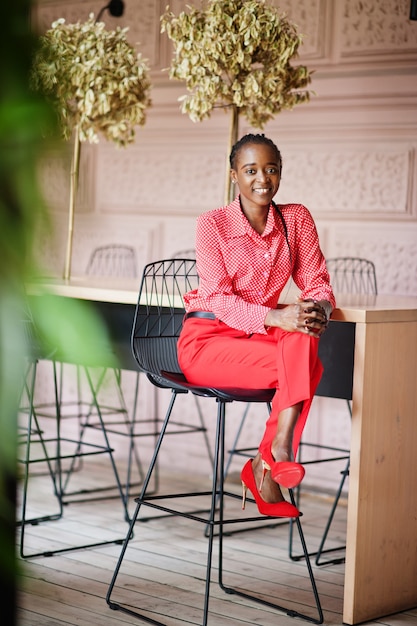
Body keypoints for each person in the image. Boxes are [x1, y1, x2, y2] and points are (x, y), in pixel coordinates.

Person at [177, 133, 336, 518]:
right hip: (208, 340)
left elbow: (318, 282)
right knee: (307, 366)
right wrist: (274, 316)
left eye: (270, 169)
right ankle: (267, 464)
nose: (261, 178)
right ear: (234, 175)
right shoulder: (212, 224)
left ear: (280, 173)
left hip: (258, 338)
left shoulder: (295, 218)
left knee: (305, 328)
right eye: (250, 170)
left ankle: (277, 450)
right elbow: (215, 297)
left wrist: (322, 309)